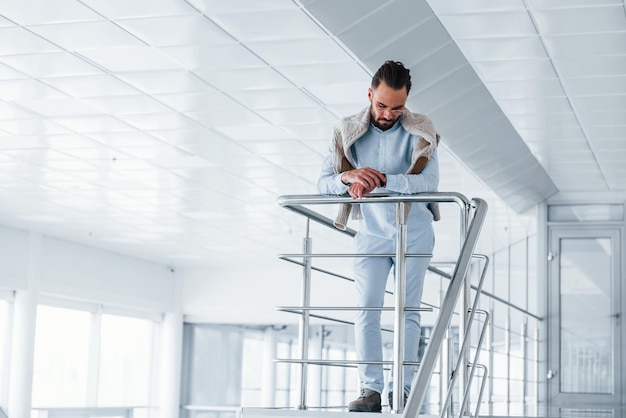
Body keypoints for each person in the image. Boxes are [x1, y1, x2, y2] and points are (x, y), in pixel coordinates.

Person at [317, 60, 439, 412]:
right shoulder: (346, 131)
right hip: (370, 233)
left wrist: (385, 180)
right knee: (366, 310)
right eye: (382, 105)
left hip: (413, 232)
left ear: (406, 102)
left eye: (397, 107)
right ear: (370, 95)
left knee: (407, 312)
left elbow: (429, 183)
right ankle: (371, 390)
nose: (388, 114)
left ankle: (401, 389)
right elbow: (323, 183)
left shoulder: (422, 130)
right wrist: (348, 177)